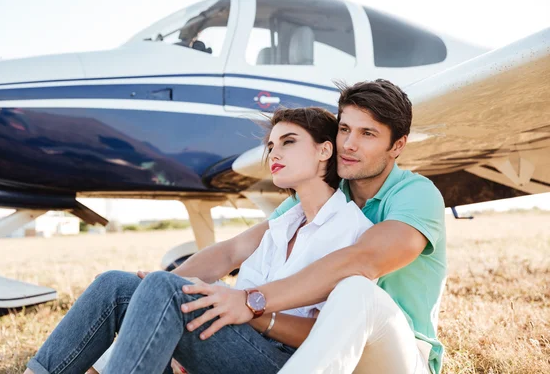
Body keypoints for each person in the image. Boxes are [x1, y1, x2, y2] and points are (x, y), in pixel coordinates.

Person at [24, 107, 374, 374]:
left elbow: (332, 335)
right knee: (116, 285)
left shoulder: (349, 230)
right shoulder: (284, 224)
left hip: (284, 360)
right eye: (271, 145)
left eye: (288, 142)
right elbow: (227, 254)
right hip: (239, 337)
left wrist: (248, 310)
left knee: (164, 287)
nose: (274, 154)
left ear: (325, 151)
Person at [150, 79, 447, 374]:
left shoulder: (416, 194)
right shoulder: (321, 194)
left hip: (395, 354)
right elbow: (233, 251)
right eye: (344, 129)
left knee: (356, 288)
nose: (349, 144)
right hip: (321, 355)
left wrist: (253, 302)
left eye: (367, 133)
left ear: (397, 146)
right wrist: (156, 290)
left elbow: (363, 260)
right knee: (190, 297)